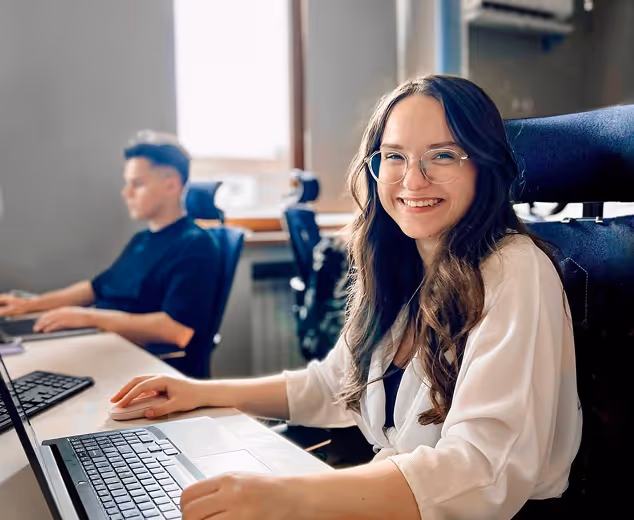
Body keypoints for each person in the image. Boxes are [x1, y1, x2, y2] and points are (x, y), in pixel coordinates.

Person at [110, 76, 582, 520]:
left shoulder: (515, 270)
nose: (412, 180)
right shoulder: (404, 266)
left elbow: (482, 470)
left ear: (485, 165)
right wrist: (198, 392)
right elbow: (332, 384)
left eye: (443, 155)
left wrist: (285, 496)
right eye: (394, 156)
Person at [0, 131, 219, 368]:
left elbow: (175, 330)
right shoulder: (142, 240)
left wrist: (86, 317)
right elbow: (94, 288)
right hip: (106, 341)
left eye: (137, 184)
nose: (126, 193)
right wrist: (30, 305)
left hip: (143, 361)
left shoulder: (195, 245)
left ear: (171, 185)